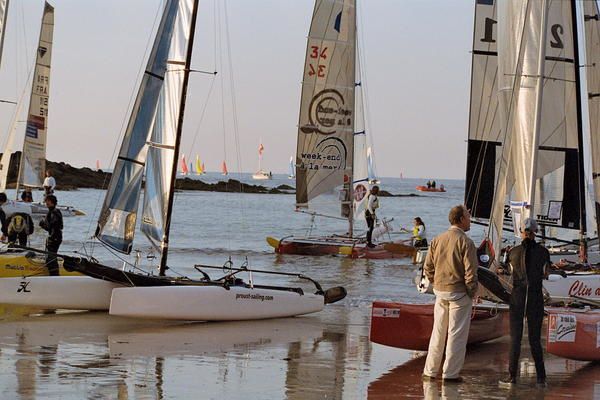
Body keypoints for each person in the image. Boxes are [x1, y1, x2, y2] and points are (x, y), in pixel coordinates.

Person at [422, 205, 478, 383]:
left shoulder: (437, 239)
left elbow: (428, 267)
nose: (470, 220)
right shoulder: (466, 242)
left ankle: (430, 371)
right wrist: (471, 292)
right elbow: (471, 273)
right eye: (468, 217)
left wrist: (435, 282)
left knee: (438, 333)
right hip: (459, 293)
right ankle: (450, 374)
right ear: (461, 219)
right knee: (456, 335)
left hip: (440, 291)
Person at [498, 218, 548, 388]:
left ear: (522, 232)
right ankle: (541, 379)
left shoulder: (513, 252)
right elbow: (546, 273)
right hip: (535, 297)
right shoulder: (543, 252)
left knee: (515, 339)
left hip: (518, 298)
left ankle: (512, 378)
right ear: (535, 232)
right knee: (535, 339)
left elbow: (505, 271)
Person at [39, 195, 63, 276]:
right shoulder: (55, 211)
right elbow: (54, 227)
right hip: (56, 236)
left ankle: (55, 275)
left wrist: (43, 224)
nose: (46, 203)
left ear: (52, 202)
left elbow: (53, 226)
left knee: (51, 258)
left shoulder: (54, 212)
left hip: (54, 237)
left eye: (47, 201)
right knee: (51, 256)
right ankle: (52, 273)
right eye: (46, 201)